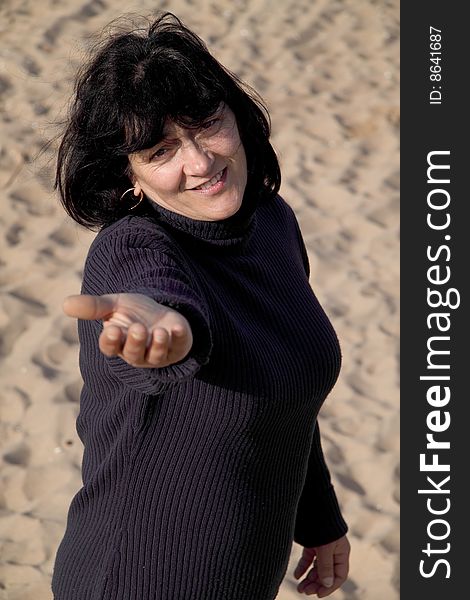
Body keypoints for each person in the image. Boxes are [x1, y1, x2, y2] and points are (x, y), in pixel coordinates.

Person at [52, 12, 350, 600]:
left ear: (237, 116)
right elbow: (156, 306)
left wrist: (320, 520)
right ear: (129, 176)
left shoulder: (271, 221)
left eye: (206, 124)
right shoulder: (132, 248)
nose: (201, 162)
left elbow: (286, 392)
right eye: (162, 150)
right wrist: (164, 331)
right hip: (135, 579)